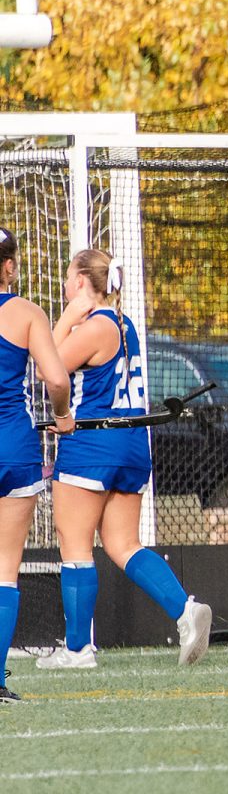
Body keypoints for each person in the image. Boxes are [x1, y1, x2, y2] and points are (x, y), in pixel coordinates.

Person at [36, 249, 211, 670]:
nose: (63, 286)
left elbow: (49, 370)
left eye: (67, 278)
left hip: (94, 442)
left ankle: (77, 649)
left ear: (81, 282)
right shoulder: (124, 323)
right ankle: (185, 610)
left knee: (75, 545)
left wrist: (63, 318)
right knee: (123, 544)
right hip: (132, 444)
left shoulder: (95, 325)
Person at [0, 227, 74, 701]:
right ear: (9, 266)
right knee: (5, 569)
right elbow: (56, 377)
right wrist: (63, 416)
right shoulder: (25, 312)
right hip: (14, 450)